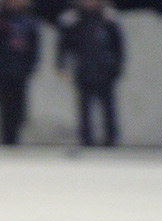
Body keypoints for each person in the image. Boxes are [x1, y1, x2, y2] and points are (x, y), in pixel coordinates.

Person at [56, 0, 125, 147]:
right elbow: (63, 45)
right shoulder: (73, 19)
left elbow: (118, 46)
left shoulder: (108, 18)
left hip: (105, 70)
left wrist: (117, 67)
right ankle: (86, 138)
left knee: (108, 106)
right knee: (84, 107)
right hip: (83, 70)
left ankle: (110, 138)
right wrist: (61, 65)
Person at [0, 0, 40, 146]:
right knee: (5, 104)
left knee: (18, 104)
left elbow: (35, 43)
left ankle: (16, 134)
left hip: (21, 67)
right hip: (3, 67)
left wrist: (31, 62)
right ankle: (6, 137)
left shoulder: (28, 19)